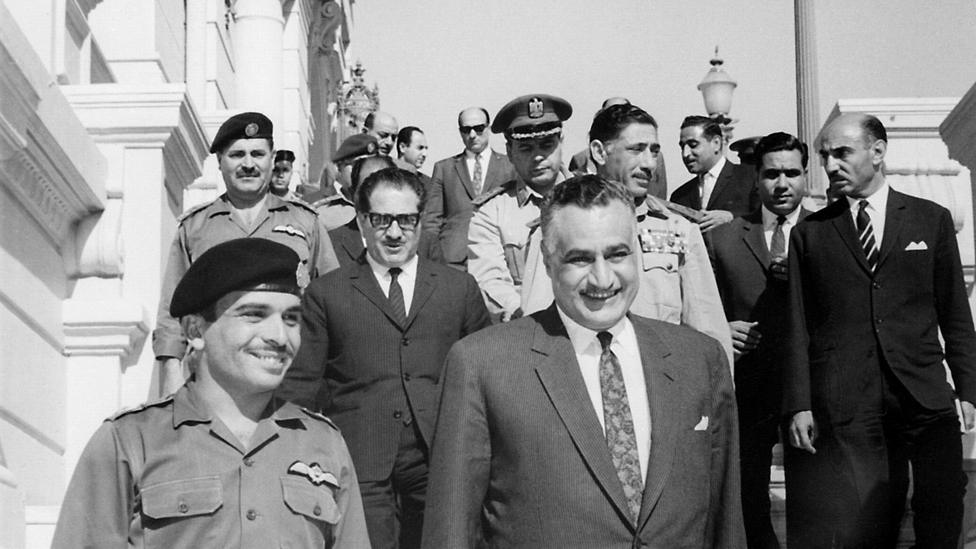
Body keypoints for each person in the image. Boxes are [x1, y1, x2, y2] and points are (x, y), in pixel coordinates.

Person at [422, 175, 744, 548]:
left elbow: (726, 525)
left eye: (617, 254)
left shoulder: (699, 360)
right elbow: (450, 533)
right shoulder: (483, 364)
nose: (603, 278)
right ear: (546, 259)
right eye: (579, 258)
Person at [54, 238, 369, 548]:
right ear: (195, 330)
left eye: (291, 319)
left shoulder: (324, 443)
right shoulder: (131, 442)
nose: (279, 336)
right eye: (254, 315)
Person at [784, 113, 976, 548]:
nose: (830, 165)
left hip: (924, 393)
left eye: (841, 153)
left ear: (878, 151)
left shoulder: (930, 220)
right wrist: (799, 403)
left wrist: (969, 388)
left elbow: (955, 314)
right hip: (850, 403)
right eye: (824, 156)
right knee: (867, 519)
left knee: (943, 507)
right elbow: (799, 325)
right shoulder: (810, 234)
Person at [277, 167, 491, 549]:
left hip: (438, 458)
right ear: (361, 220)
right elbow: (301, 385)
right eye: (381, 220)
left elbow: (488, 379)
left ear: (421, 221)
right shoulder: (328, 293)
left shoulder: (458, 289)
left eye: (406, 220)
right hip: (359, 461)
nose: (394, 232)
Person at [521, 103, 732, 363]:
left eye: (654, 151)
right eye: (636, 150)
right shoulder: (558, 226)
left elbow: (710, 335)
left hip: (661, 383)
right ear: (599, 152)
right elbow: (536, 335)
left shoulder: (678, 230)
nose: (649, 164)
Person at [153, 112, 339, 396]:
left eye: (257, 154)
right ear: (220, 162)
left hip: (287, 376)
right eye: (237, 155)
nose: (249, 164)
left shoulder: (306, 223)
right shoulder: (195, 228)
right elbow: (172, 310)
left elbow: (334, 303)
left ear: (272, 158)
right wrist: (170, 375)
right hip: (213, 381)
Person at [708, 132, 811, 549]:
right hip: (747, 389)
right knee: (749, 495)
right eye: (771, 174)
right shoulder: (726, 238)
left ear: (806, 175)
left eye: (791, 173)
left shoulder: (829, 233)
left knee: (814, 495)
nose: (781, 184)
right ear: (755, 178)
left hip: (810, 389)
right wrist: (722, 326)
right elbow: (703, 304)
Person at [467, 94, 572, 321]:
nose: (537, 157)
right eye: (526, 148)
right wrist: (529, 315)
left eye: (546, 145)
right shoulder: (490, 212)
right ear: (510, 152)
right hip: (526, 328)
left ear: (561, 143)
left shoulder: (593, 198)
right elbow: (489, 280)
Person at [424, 107, 516, 268]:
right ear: (460, 132)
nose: (472, 135)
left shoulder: (510, 166)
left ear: (488, 128)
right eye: (466, 130)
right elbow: (431, 220)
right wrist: (433, 258)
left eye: (479, 129)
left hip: (499, 257)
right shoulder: (444, 168)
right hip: (454, 260)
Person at [330, 156, 442, 268]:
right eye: (367, 189)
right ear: (352, 193)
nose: (377, 197)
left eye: (385, 188)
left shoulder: (427, 244)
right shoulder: (331, 243)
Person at [671, 115, 758, 232]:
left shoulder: (751, 177)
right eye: (682, 147)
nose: (685, 154)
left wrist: (731, 217)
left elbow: (768, 219)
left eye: (693, 145)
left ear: (716, 143)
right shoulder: (680, 196)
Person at [313, 133, 378, 230]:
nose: (363, 171)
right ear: (339, 168)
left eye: (370, 165)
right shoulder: (322, 214)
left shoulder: (388, 207)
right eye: (356, 165)